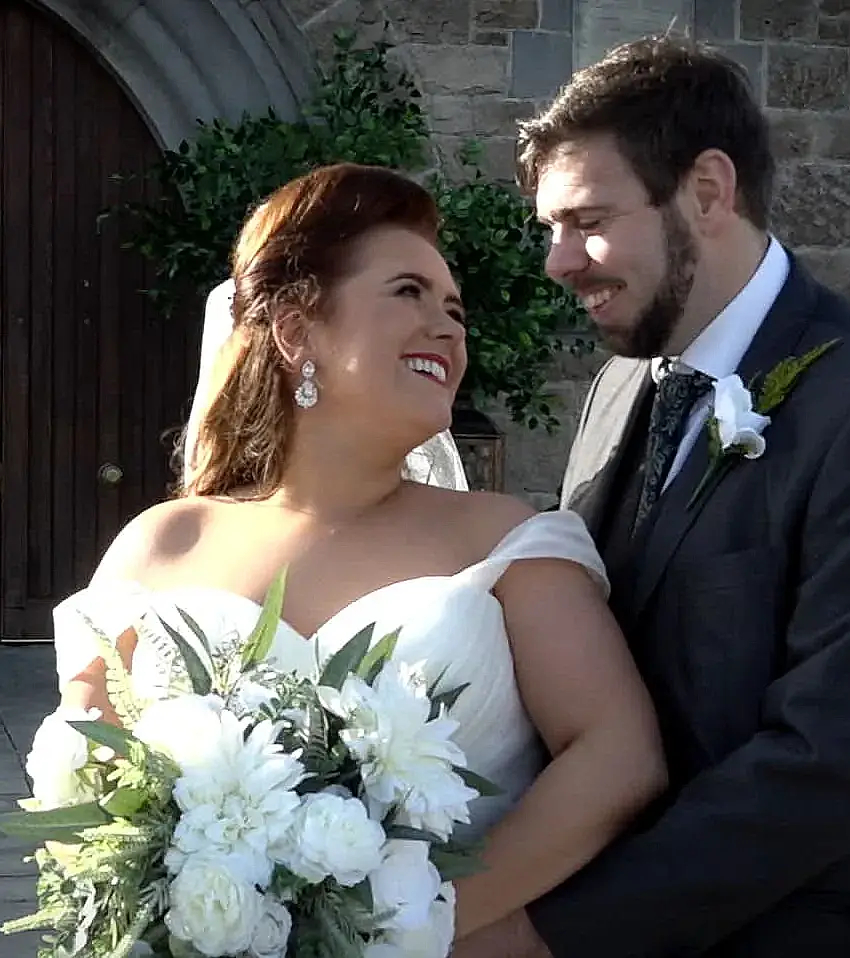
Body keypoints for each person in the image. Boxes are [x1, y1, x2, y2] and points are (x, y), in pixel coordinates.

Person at [453, 34, 850, 958]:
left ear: (706, 191)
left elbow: (837, 762)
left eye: (586, 221)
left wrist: (551, 932)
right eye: (551, 229)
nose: (558, 262)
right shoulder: (618, 390)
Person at [50, 161, 667, 943]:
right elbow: (88, 790)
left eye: (455, 309)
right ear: (297, 328)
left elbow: (618, 756)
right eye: (407, 292)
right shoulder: (162, 543)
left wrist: (400, 930)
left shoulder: (509, 541)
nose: (448, 327)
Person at [183, 279, 471, 491]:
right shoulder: (176, 541)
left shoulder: (483, 536)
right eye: (405, 293)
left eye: (455, 313)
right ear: (296, 335)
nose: (453, 331)